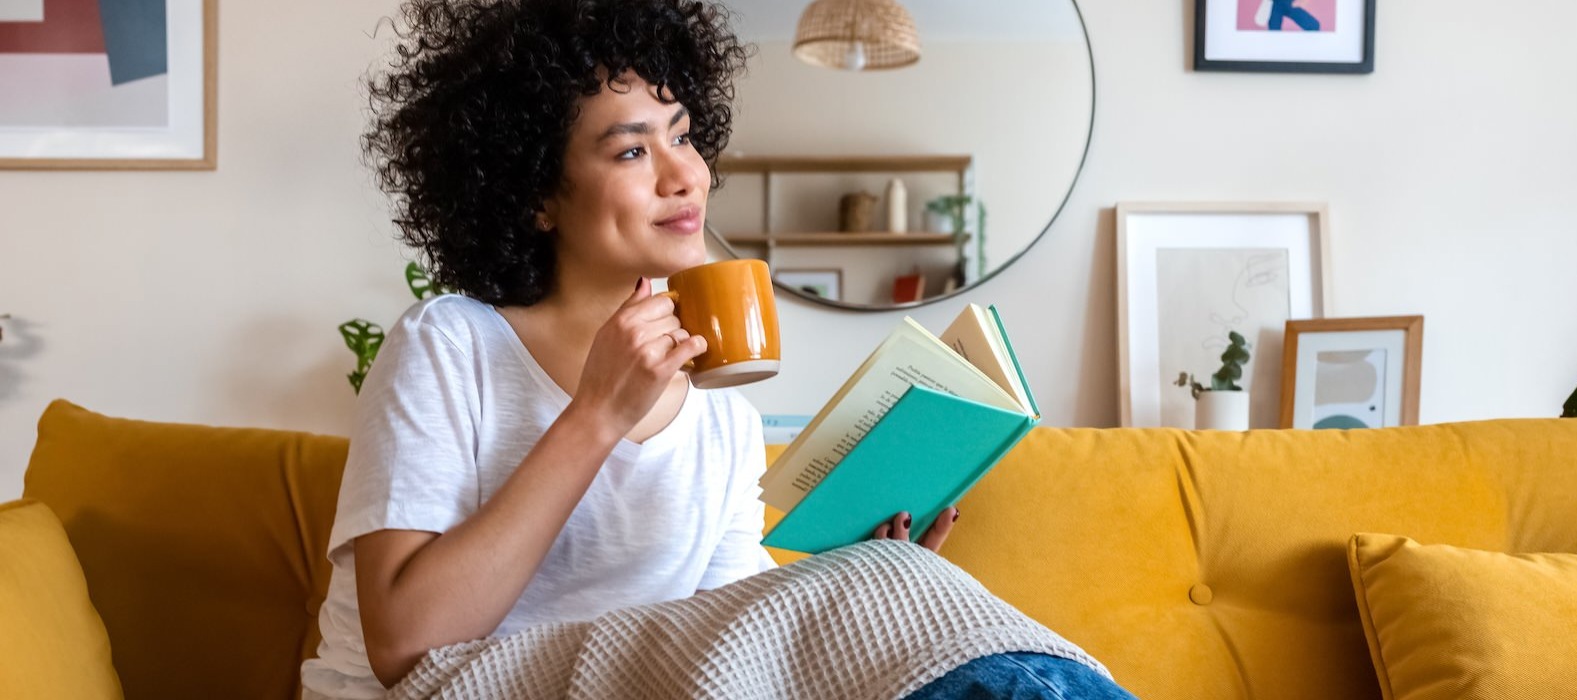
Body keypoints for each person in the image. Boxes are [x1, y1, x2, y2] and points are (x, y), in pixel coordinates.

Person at [299, 1, 1133, 698]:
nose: (685, 176)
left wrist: (858, 575)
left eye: (684, 135)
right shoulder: (449, 344)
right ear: (535, 196)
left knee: (903, 587)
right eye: (631, 150)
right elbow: (405, 645)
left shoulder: (721, 418)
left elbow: (735, 655)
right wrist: (595, 418)